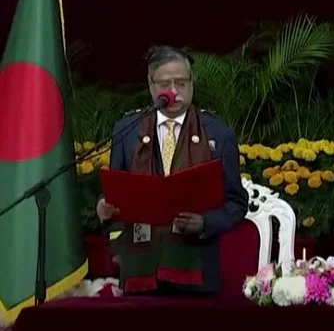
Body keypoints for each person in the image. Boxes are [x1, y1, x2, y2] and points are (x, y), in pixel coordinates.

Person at [96, 45, 248, 295]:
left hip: (197, 272)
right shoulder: (127, 130)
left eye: (181, 83)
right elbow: (116, 192)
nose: (174, 92)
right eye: (166, 84)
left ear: (192, 82)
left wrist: (204, 222)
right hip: (139, 271)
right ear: (151, 84)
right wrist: (104, 206)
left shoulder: (219, 134)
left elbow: (236, 203)